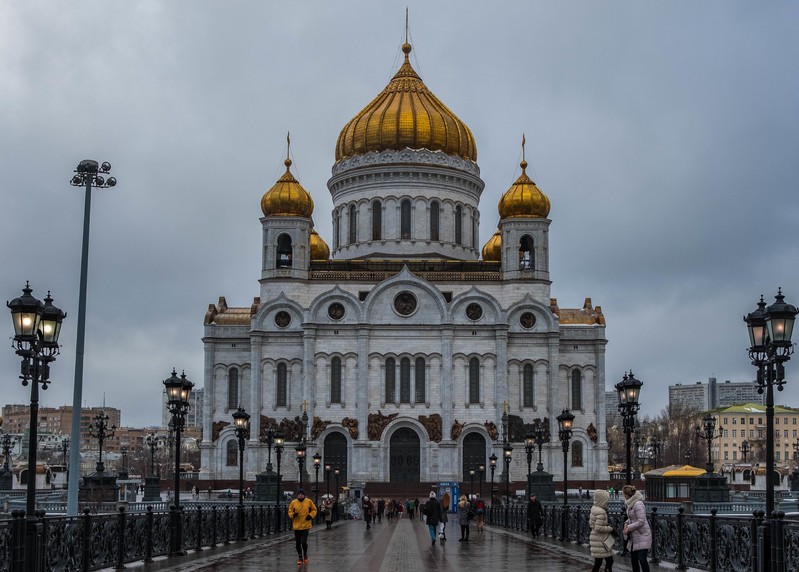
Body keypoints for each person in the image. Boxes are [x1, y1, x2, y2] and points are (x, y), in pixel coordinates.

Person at [623, 485, 652, 572]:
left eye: (624, 494)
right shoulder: (630, 503)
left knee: (642, 559)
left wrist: (629, 527)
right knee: (634, 560)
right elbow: (632, 518)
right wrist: (626, 523)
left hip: (643, 534)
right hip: (634, 536)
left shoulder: (638, 504)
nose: (624, 496)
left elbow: (641, 521)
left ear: (627, 495)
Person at [288, 489, 317, 566]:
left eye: (301, 494)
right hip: (296, 526)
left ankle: (305, 555)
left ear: (304, 495)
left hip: (305, 525)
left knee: (303, 542)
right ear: (297, 495)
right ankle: (300, 557)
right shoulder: (293, 502)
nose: (300, 495)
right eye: (299, 494)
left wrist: (310, 516)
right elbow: (290, 510)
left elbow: (314, 509)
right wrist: (293, 515)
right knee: (297, 543)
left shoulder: (308, 501)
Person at [589, 489, 615, 572]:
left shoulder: (594, 508)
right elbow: (598, 527)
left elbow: (591, 524)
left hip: (596, 538)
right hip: (601, 540)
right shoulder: (601, 512)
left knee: (600, 562)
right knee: (607, 561)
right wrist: (610, 529)